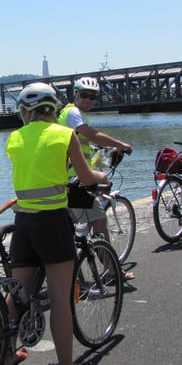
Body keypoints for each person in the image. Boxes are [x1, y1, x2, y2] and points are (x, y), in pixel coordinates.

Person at [6, 83, 109, 365]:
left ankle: (7, 355)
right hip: (52, 223)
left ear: (26, 112)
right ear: (53, 109)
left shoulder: (13, 139)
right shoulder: (64, 135)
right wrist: (101, 177)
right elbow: (86, 176)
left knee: (17, 297)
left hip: (23, 224)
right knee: (61, 299)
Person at [58, 76, 134, 277]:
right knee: (99, 222)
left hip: (65, 180)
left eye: (93, 97)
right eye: (84, 95)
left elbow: (81, 141)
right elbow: (90, 134)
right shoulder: (74, 113)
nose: (88, 100)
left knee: (72, 229)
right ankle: (110, 270)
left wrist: (96, 148)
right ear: (75, 94)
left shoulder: (72, 114)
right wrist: (120, 144)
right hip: (78, 182)